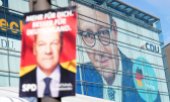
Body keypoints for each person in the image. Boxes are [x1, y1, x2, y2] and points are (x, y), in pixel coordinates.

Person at [76, 4, 161, 102]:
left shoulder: (146, 83)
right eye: (88, 35)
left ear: (114, 30)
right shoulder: (77, 78)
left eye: (103, 33)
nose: (99, 50)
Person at [19, 27, 75, 98]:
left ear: (61, 47)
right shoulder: (24, 81)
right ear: (34, 48)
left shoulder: (71, 79)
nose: (48, 51)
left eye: (54, 43)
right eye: (42, 44)